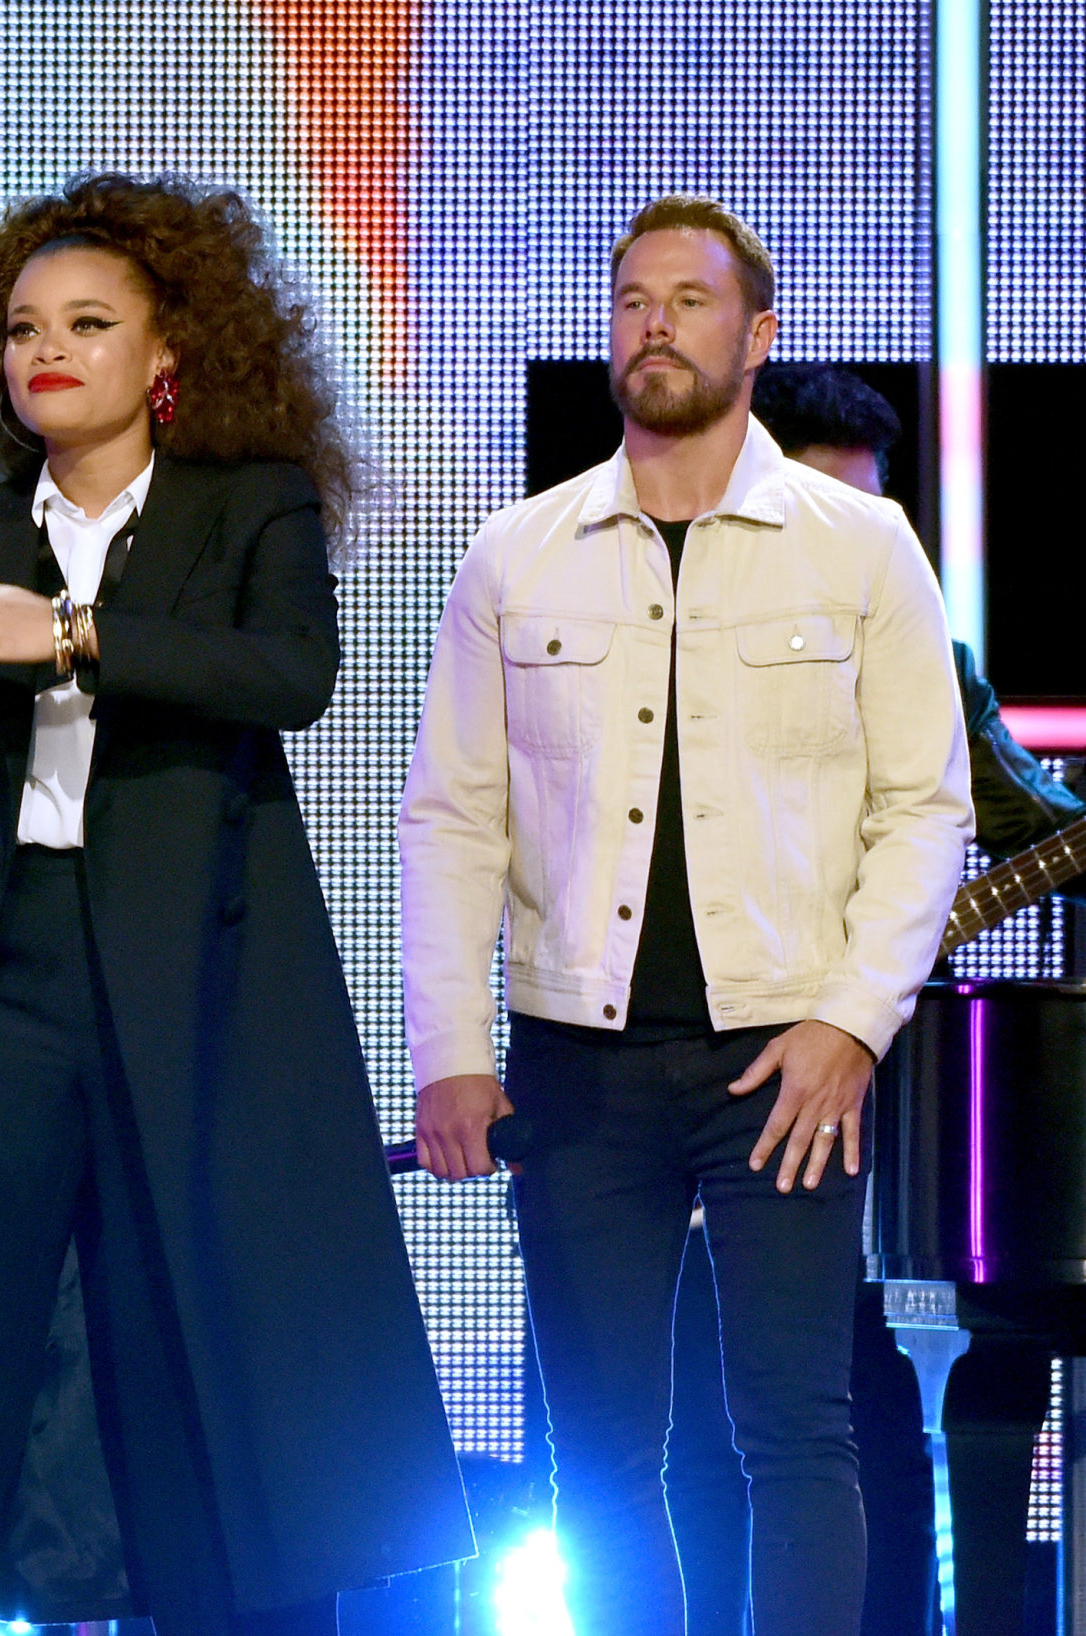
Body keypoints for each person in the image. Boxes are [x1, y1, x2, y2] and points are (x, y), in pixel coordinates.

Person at [0, 171, 472, 1636]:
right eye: (20, 328)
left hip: (194, 974)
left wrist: (65, 636)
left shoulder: (246, 506)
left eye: (87, 322)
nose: (45, 350)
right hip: (1, 969)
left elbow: (288, 677)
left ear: (167, 351)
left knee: (190, 1333)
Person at [403, 195, 974, 1636]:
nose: (655, 324)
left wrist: (852, 1021)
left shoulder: (860, 545)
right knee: (597, 1450)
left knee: (796, 1427)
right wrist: (449, 1050)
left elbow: (927, 808)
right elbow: (454, 817)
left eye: (691, 300)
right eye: (632, 299)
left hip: (783, 1058)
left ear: (756, 334)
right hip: (576, 1060)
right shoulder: (517, 554)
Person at [664, 362, 1086, 1636]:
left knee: (856, 1412)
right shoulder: (670, 632)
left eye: (871, 510)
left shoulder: (924, 659)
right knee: (680, 1419)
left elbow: (1036, 816)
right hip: (672, 1065)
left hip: (865, 1092)